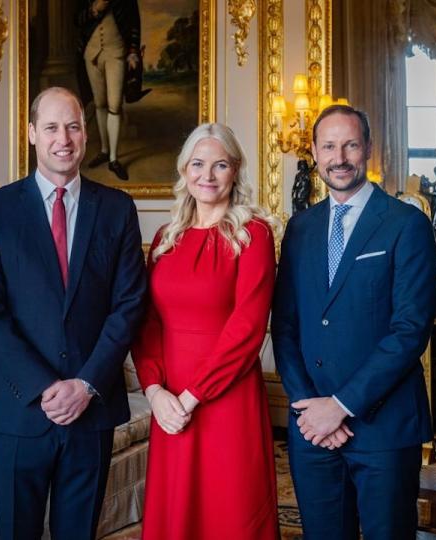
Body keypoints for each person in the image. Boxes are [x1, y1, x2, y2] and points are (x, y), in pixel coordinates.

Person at [0, 86, 147, 540]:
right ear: (31, 133)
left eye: (72, 126)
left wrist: (85, 385)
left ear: (86, 134)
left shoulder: (117, 209)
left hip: (92, 410)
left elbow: (128, 306)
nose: (62, 138)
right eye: (51, 127)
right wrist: (45, 387)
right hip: (19, 410)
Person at [272, 105, 436, 540]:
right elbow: (285, 326)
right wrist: (310, 408)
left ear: (367, 148)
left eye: (349, 144)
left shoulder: (407, 224)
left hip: (384, 430)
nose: (339, 156)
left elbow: (409, 331)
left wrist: (340, 406)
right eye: (328, 146)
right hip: (312, 431)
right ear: (313, 152)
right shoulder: (300, 229)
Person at [132, 122, 281, 540]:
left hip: (225, 400)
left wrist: (192, 396)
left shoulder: (253, 235)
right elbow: (147, 323)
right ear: (183, 170)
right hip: (170, 403)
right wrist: (154, 391)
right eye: (198, 164)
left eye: (220, 165)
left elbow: (248, 329)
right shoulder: (165, 238)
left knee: (229, 512)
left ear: (235, 171)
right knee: (177, 510)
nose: (207, 176)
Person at [76, 0, 145, 181]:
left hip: (116, 52)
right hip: (90, 53)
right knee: (100, 104)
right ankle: (105, 150)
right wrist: (93, 10)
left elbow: (134, 23)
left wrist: (133, 51)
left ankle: (114, 159)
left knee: (114, 105)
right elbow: (77, 20)